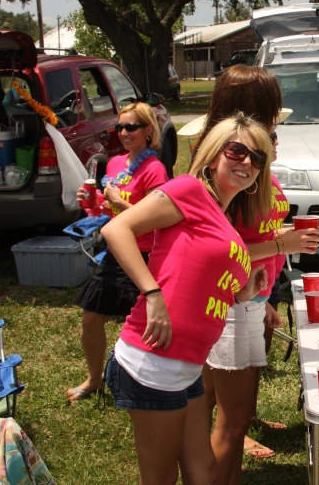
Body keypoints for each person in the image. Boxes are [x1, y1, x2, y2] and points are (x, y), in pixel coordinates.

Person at [102, 115, 270, 485]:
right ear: (213, 155)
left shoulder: (223, 219)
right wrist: (152, 293)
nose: (247, 163)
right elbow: (116, 229)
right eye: (237, 151)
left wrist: (244, 290)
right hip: (154, 361)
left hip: (188, 366)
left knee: (204, 472)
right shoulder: (190, 191)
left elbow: (206, 286)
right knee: (161, 478)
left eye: (257, 158)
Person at [194, 65, 319, 480]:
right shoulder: (232, 166)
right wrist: (283, 244)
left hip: (245, 299)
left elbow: (246, 233)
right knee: (233, 419)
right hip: (229, 302)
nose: (276, 118)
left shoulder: (240, 158)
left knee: (220, 411)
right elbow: (219, 247)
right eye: (270, 107)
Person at [68, 102, 168, 403]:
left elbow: (158, 217)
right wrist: (93, 201)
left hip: (145, 256)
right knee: (91, 317)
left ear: (148, 130)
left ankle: (149, 386)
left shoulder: (155, 170)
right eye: (119, 127)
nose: (123, 133)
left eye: (131, 127)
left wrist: (119, 203)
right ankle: (94, 379)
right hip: (116, 252)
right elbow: (108, 210)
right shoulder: (115, 164)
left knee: (143, 326)